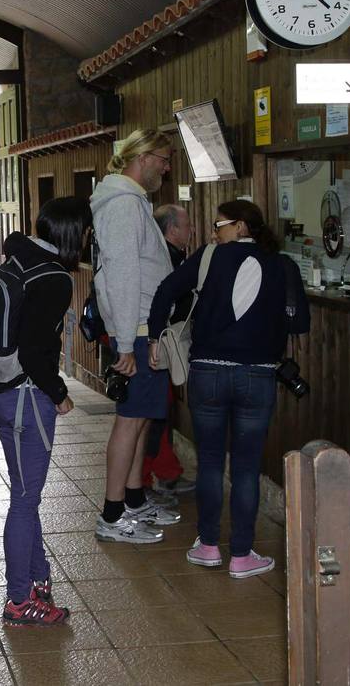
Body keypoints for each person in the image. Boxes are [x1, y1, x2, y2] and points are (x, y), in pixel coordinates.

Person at [148, 199, 310, 578]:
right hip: (258, 375)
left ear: (241, 227)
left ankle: (207, 546)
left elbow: (165, 291)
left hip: (207, 373)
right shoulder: (282, 265)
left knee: (208, 463)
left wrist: (155, 338)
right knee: (246, 468)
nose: (214, 233)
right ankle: (241, 554)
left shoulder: (207, 258)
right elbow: (299, 320)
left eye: (220, 225)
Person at [0, 197, 87, 627]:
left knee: (23, 496)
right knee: (25, 503)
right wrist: (59, 392)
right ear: (70, 233)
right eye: (85, 230)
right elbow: (34, 350)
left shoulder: (17, 259)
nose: (88, 238)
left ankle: (38, 578)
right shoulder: (54, 278)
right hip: (29, 398)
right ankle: (17, 599)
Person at [90, 128, 182, 544]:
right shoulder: (125, 206)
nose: (166, 167)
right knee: (129, 423)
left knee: (141, 419)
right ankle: (111, 516)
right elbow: (124, 276)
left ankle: (131, 499)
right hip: (138, 333)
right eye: (163, 159)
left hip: (143, 330)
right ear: (142, 157)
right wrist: (125, 344)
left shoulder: (130, 203)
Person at [144, 204, 196, 504]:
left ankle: (162, 473)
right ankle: (146, 481)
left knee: (157, 413)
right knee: (153, 414)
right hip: (160, 344)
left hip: (162, 342)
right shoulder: (165, 258)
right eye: (186, 226)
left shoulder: (171, 255)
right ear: (172, 229)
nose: (190, 231)